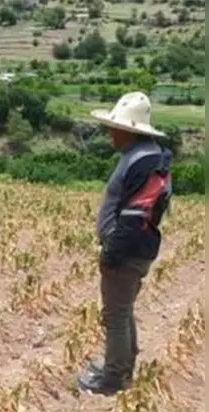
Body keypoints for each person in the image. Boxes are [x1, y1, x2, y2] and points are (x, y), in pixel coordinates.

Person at [77, 91, 173, 396]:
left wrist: (111, 254)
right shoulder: (149, 157)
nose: (111, 134)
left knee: (115, 315)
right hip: (139, 247)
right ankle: (122, 365)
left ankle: (113, 377)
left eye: (114, 129)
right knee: (123, 308)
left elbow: (134, 216)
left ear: (129, 130)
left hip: (127, 250)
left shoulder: (141, 162)